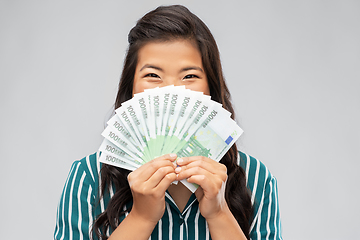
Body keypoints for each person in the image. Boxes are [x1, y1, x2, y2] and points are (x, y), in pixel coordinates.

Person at [54, 5, 282, 240]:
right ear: (130, 89)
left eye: (190, 76)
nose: (172, 91)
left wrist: (219, 213)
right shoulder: (89, 177)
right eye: (153, 75)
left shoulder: (256, 179)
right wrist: (141, 217)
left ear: (211, 90)